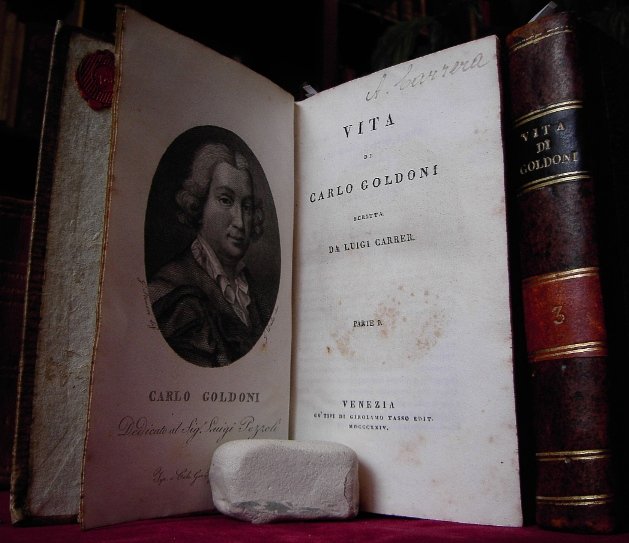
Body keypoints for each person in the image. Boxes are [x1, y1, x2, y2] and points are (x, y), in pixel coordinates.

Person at [148, 142, 269, 367]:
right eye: (225, 200)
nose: (240, 222)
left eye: (247, 206)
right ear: (199, 204)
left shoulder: (253, 292)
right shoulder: (171, 293)